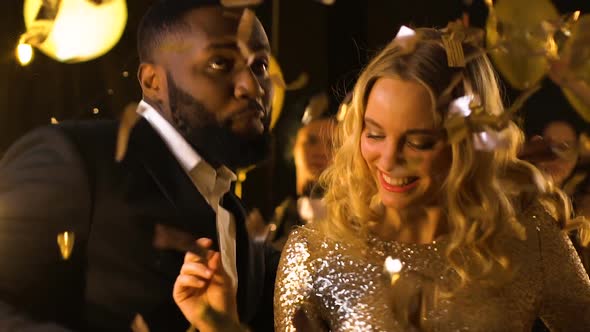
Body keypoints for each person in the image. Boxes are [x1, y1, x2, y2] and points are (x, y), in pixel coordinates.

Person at [270, 27, 590, 331]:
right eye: (375, 133)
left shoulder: (527, 239)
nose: (390, 158)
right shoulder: (315, 253)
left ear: (468, 145)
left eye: (419, 142)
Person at [0, 0, 277, 331]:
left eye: (260, 65)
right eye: (220, 63)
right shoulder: (75, 157)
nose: (252, 86)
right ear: (153, 81)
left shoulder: (233, 214)